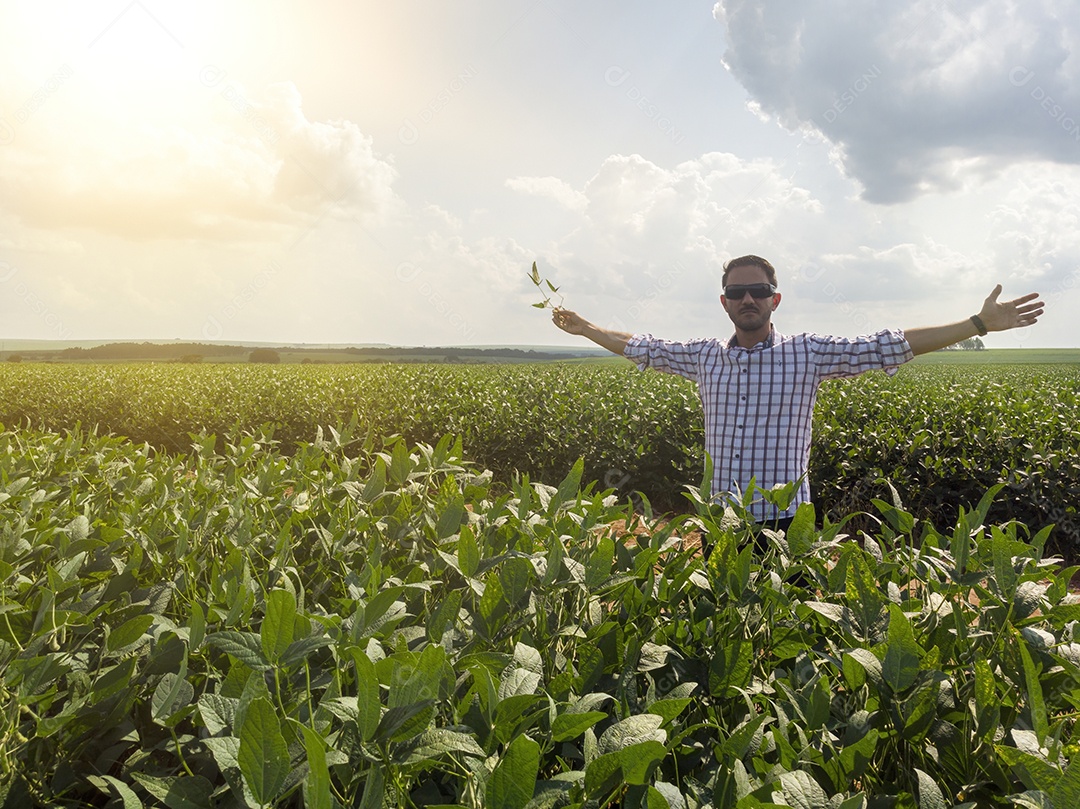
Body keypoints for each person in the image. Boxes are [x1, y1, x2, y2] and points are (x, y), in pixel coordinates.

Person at [551, 254, 1045, 533]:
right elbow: (642, 347)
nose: (749, 299)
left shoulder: (807, 353)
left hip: (785, 521)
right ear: (724, 303)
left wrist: (978, 323)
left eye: (759, 291)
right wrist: (585, 327)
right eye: (739, 292)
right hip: (719, 517)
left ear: (775, 299)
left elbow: (888, 346)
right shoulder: (704, 356)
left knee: (781, 630)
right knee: (723, 625)